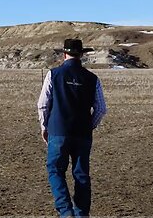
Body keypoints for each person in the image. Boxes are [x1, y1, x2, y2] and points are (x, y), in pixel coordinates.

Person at [37, 38, 107, 217]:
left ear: (64, 54)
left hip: (58, 131)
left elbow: (43, 104)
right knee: (81, 174)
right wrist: (89, 126)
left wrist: (44, 126)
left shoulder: (53, 74)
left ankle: (66, 211)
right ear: (82, 55)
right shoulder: (92, 78)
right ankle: (81, 214)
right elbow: (100, 108)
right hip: (83, 134)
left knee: (55, 170)